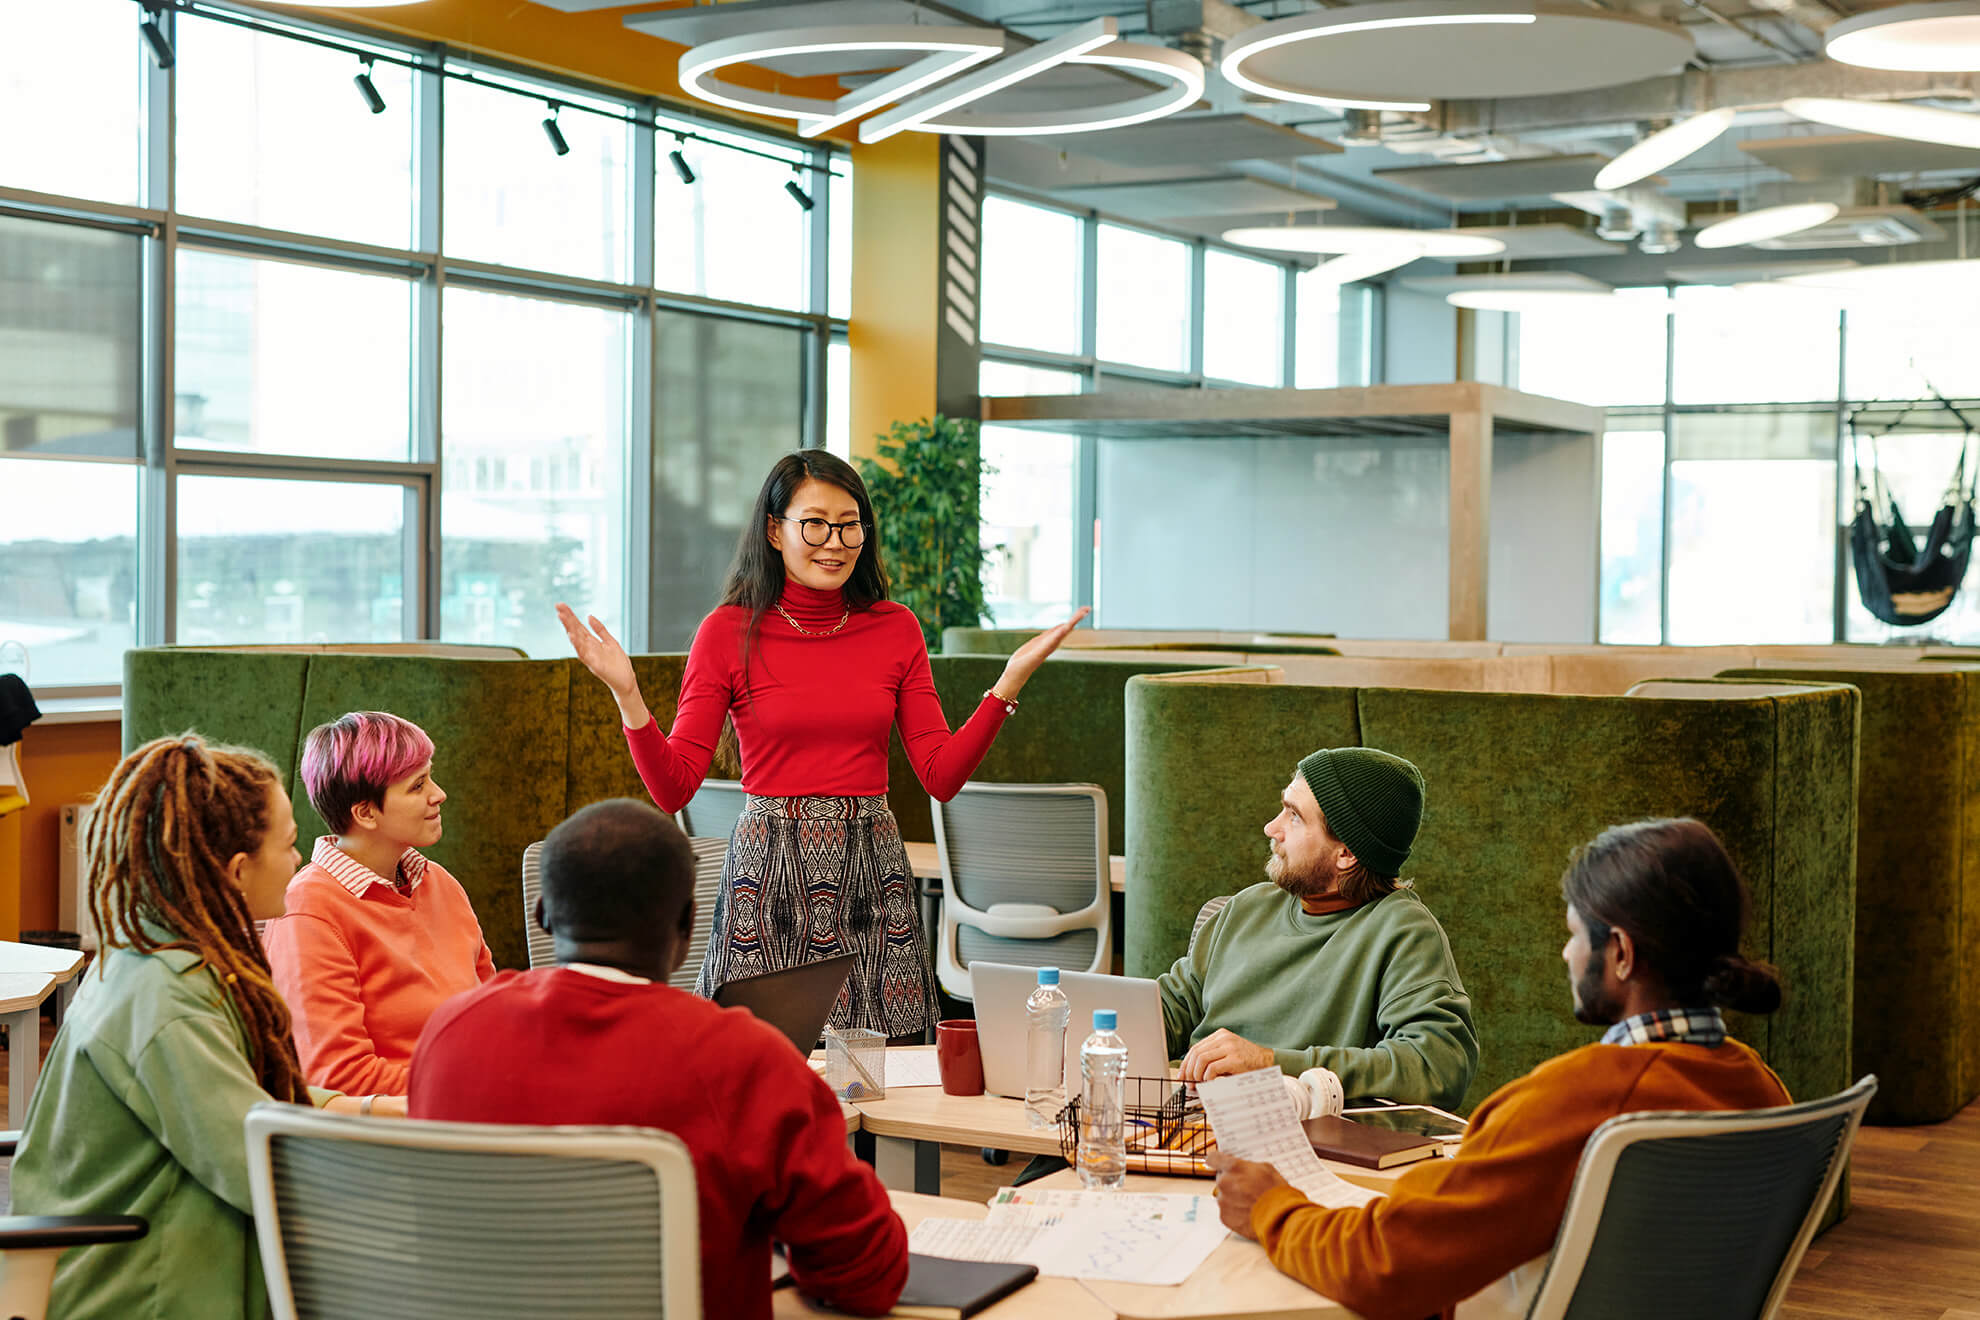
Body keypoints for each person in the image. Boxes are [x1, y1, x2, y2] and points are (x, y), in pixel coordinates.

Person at [558, 449, 1086, 1039]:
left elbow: (940, 774)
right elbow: (674, 784)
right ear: (774, 530)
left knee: (890, 1073)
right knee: (759, 1064)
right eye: (814, 523)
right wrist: (628, 694)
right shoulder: (728, 630)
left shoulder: (895, 628)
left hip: (873, 869)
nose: (834, 541)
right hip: (768, 875)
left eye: (849, 523)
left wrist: (1006, 685)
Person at [1208, 817, 1792, 1320]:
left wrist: (1271, 1208)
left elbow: (1388, 1264)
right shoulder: (1763, 1089)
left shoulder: (1580, 1097)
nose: (1567, 955)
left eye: (1573, 935)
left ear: (1620, 953)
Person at [410, 798, 907, 1320]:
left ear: (542, 915)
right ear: (689, 923)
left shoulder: (448, 1035)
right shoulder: (746, 1058)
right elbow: (868, 1275)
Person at [11, 734, 406, 1320]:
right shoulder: (168, 1002)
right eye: (291, 845)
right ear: (237, 872)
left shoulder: (159, 955)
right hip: (151, 1293)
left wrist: (377, 1110)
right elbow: (259, 1164)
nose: (299, 862)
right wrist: (424, 1167)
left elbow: (248, 1097)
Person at [1159, 746, 1477, 1112]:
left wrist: (1269, 1064)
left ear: (1346, 853)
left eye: (1294, 817)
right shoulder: (1245, 909)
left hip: (1303, 1143)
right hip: (1189, 1126)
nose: (1271, 828)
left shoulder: (1403, 931)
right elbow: (1171, 1009)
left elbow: (1438, 1066)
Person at [263, 710, 494, 1094]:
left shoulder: (440, 884)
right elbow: (337, 1078)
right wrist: (475, 1087)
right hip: (393, 1136)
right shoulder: (308, 912)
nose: (439, 794)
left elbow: (493, 1013)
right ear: (366, 813)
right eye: (418, 786)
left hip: (471, 1109)